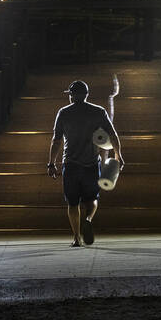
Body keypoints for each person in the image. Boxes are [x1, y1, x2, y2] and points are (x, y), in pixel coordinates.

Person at [47, 80, 124, 247]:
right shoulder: (98, 111)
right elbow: (113, 135)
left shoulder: (63, 112)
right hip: (90, 164)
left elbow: (56, 140)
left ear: (72, 96)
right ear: (87, 95)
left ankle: (76, 237)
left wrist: (51, 163)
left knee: (72, 203)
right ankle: (88, 219)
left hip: (71, 164)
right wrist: (118, 155)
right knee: (92, 199)